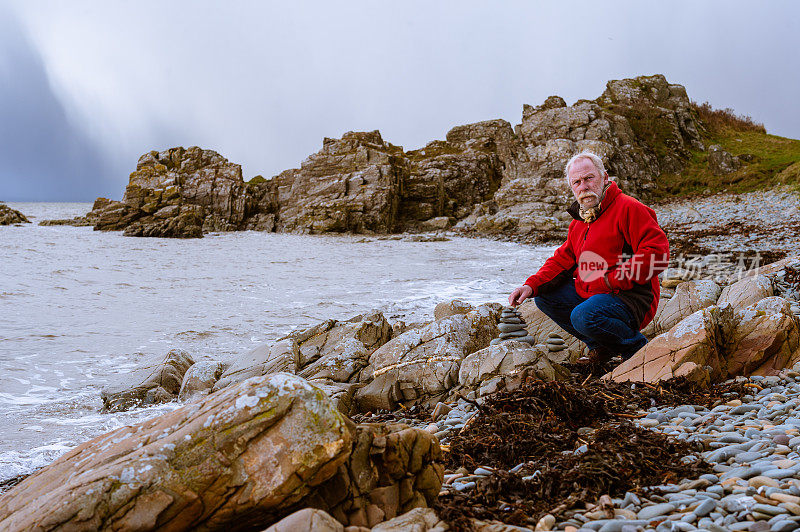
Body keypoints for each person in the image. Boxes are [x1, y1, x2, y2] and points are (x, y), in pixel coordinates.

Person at [507, 151, 670, 365]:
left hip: (630, 298)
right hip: (595, 295)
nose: (583, 186)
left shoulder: (629, 208)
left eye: (589, 178)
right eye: (577, 182)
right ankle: (601, 346)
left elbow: (658, 255)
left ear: (604, 177)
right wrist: (531, 285)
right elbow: (562, 260)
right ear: (572, 187)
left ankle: (635, 348)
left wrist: (613, 279)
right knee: (544, 296)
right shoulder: (579, 222)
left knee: (583, 316)